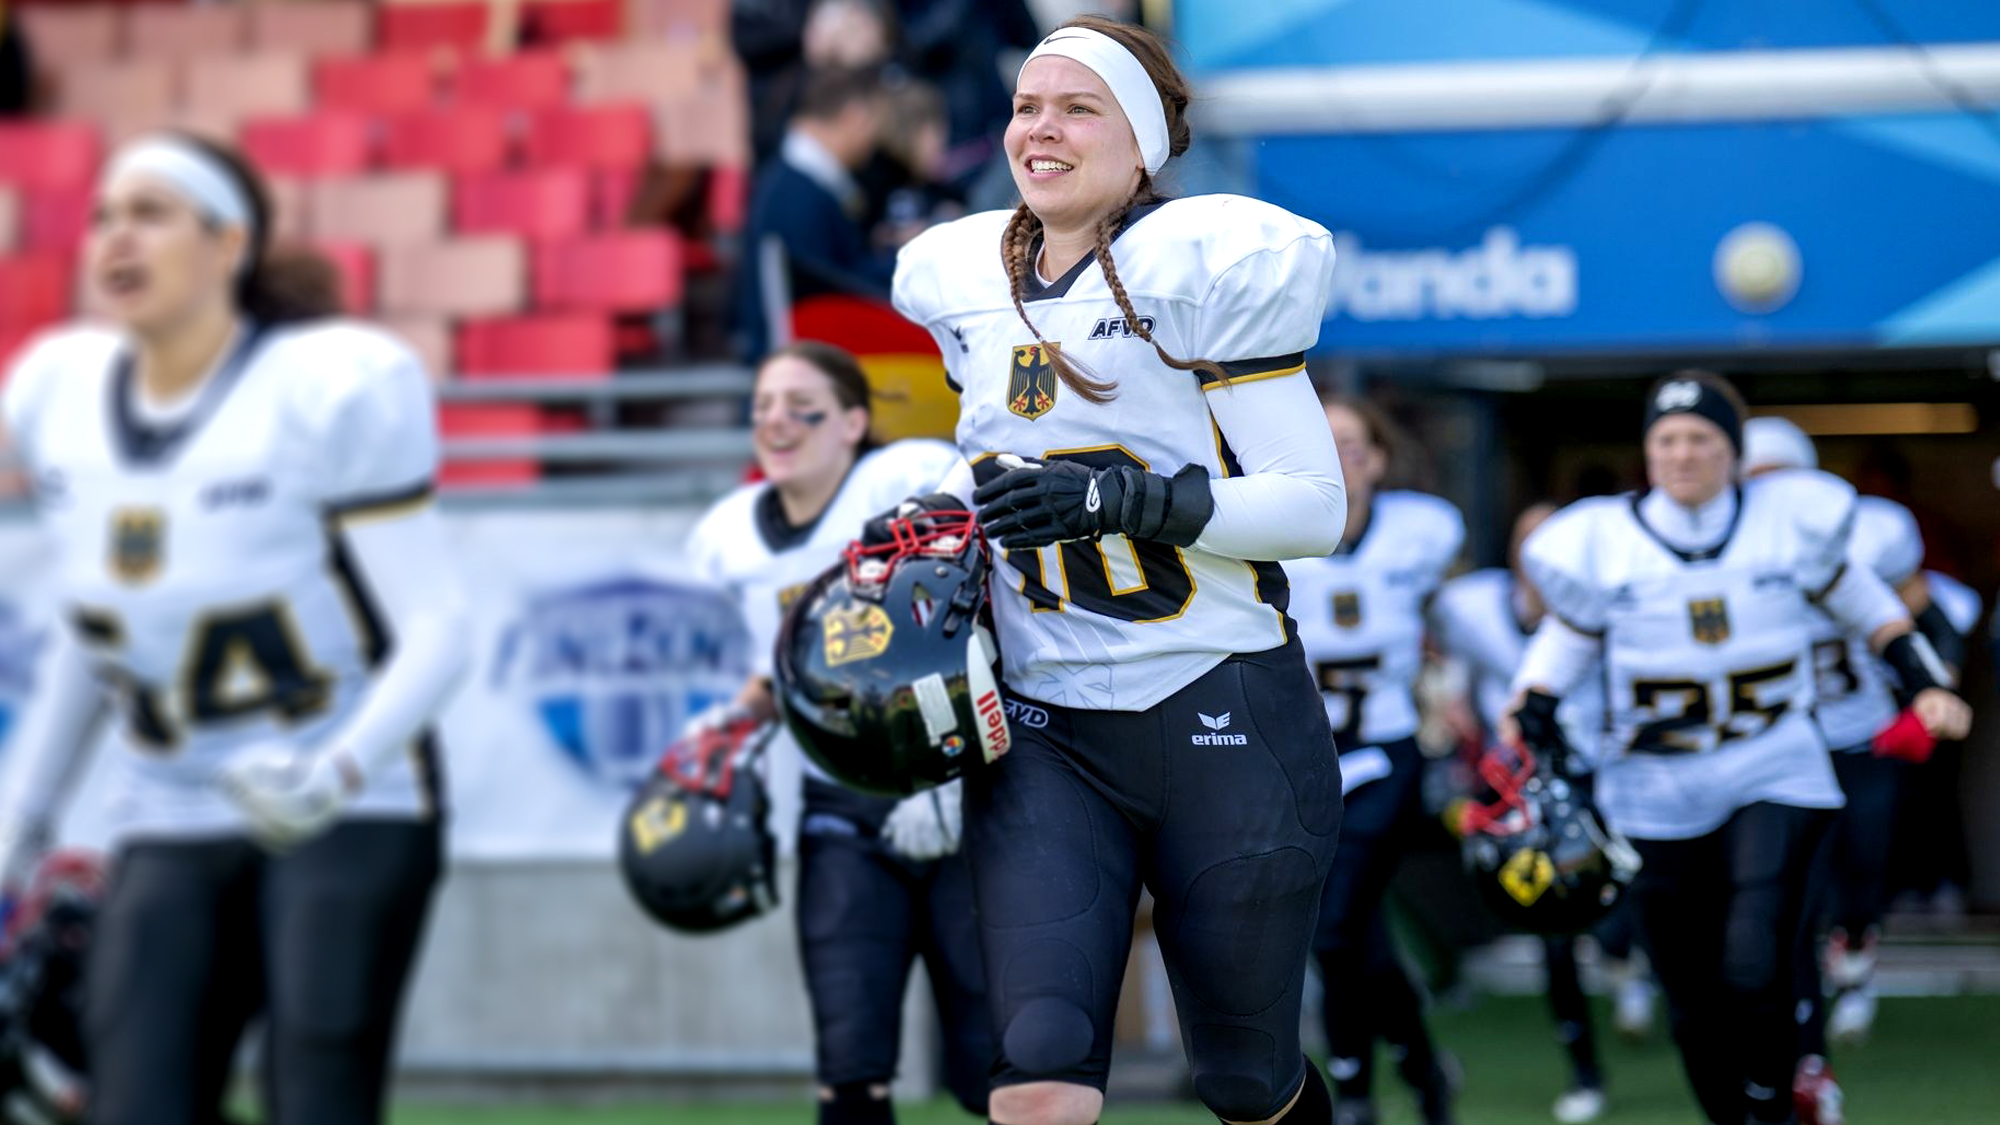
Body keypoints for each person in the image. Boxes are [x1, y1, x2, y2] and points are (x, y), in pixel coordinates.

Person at [889, 15, 1347, 1125]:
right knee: (1037, 1068)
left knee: (1245, 1079)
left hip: (1215, 702)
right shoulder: (960, 278)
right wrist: (931, 540)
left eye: (1076, 108)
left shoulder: (1198, 267)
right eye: (1024, 106)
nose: (1039, 130)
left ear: (1139, 145)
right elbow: (987, 467)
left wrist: (1124, 500)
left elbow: (1311, 506)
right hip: (1048, 734)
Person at [0, 131, 471, 1124]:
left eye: (152, 212)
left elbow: (438, 622)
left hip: (354, 796)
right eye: (102, 215)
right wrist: (19, 822)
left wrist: (336, 769)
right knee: (137, 1100)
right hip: (170, 806)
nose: (117, 236)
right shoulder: (60, 391)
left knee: (317, 1094)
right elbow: (98, 638)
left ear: (230, 244)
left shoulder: (327, 387)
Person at [1505, 372, 1970, 1125]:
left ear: (1734, 450)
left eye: (1701, 438)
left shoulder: (1790, 522)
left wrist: (1922, 680)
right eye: (1667, 439)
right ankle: (1742, 1110)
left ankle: (1776, 1099)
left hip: (1772, 760)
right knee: (1690, 997)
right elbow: (1565, 643)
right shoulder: (1601, 541)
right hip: (1654, 785)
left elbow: (1873, 611)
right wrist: (1527, 706)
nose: (1683, 454)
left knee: (1755, 958)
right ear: (1647, 449)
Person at [684, 341, 989, 1124]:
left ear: (854, 420)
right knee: (849, 1068)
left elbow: (979, 628)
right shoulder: (730, 536)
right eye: (761, 408)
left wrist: (954, 779)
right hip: (842, 810)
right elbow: (792, 670)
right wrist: (734, 720)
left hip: (969, 796)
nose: (775, 421)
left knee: (998, 1069)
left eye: (800, 406)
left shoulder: (905, 483)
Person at [1431, 502, 1650, 1124]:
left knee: (1632, 893)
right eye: (1532, 540)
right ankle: (1585, 1069)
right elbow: (1459, 667)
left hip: (1609, 767)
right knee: (1551, 921)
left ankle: (1625, 962)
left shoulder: (1613, 602)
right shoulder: (1473, 608)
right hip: (1526, 777)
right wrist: (1457, 712)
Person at [1280, 396, 1461, 1125]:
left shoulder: (1420, 534)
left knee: (1332, 924)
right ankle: (1421, 1064)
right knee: (1358, 932)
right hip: (1298, 764)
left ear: (1379, 459)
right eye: (1323, 441)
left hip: (1386, 750)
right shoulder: (1272, 535)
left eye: (1353, 444)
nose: (1340, 457)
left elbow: (1454, 627)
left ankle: (1353, 1084)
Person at [735, 65, 897, 361]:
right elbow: (833, 291)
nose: (874, 141)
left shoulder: (791, 182)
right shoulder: (798, 195)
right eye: (874, 122)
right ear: (854, 116)